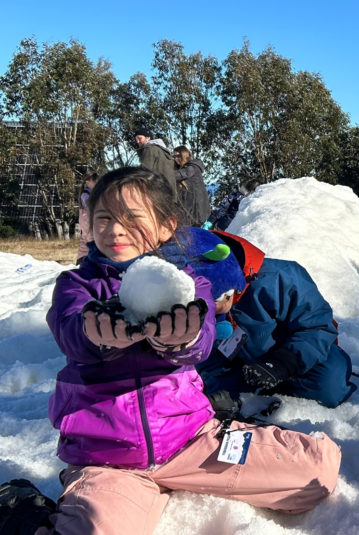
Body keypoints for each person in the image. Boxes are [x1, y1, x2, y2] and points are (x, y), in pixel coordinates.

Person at [0, 167, 341, 535]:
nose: (115, 229)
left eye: (132, 219)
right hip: (109, 459)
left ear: (166, 226)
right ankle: (22, 511)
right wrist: (96, 335)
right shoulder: (77, 285)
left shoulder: (188, 283)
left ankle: (213, 462)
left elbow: (204, 337)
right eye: (104, 218)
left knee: (316, 473)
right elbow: (70, 329)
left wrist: (182, 341)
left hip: (192, 441)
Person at [190, 227, 357, 409]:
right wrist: (227, 393)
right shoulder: (193, 305)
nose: (213, 312)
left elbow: (318, 327)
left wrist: (282, 364)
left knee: (328, 389)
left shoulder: (279, 277)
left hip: (304, 358)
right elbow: (209, 359)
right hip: (249, 368)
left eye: (216, 300)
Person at [173, 146, 212, 226]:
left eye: (178, 156)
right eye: (174, 156)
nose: (176, 159)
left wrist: (161, 172)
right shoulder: (186, 168)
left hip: (197, 214)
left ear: (184, 155)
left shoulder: (192, 167)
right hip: (193, 213)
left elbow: (178, 175)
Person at [134, 128, 176, 196]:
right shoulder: (162, 150)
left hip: (159, 190)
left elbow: (144, 170)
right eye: (136, 139)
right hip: (169, 190)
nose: (137, 141)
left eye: (139, 138)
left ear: (148, 138)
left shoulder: (150, 148)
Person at [75, 172, 98, 264]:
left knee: (88, 240)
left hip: (89, 218)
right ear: (87, 182)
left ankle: (84, 260)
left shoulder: (93, 192)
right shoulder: (85, 194)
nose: (97, 183)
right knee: (90, 239)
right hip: (86, 219)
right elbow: (92, 207)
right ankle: (82, 261)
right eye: (95, 181)